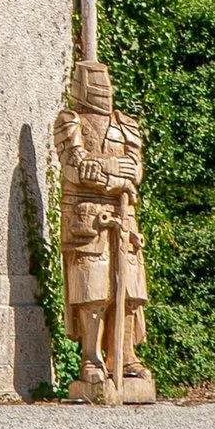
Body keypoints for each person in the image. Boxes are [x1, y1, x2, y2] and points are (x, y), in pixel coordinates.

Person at [53, 53, 154, 405]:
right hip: (87, 218)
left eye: (105, 81)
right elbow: (77, 168)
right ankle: (92, 359)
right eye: (94, 81)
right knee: (92, 291)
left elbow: (135, 170)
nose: (102, 88)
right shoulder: (70, 121)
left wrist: (109, 174)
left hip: (123, 219)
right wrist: (116, 176)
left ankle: (124, 357)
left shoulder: (127, 124)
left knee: (130, 292)